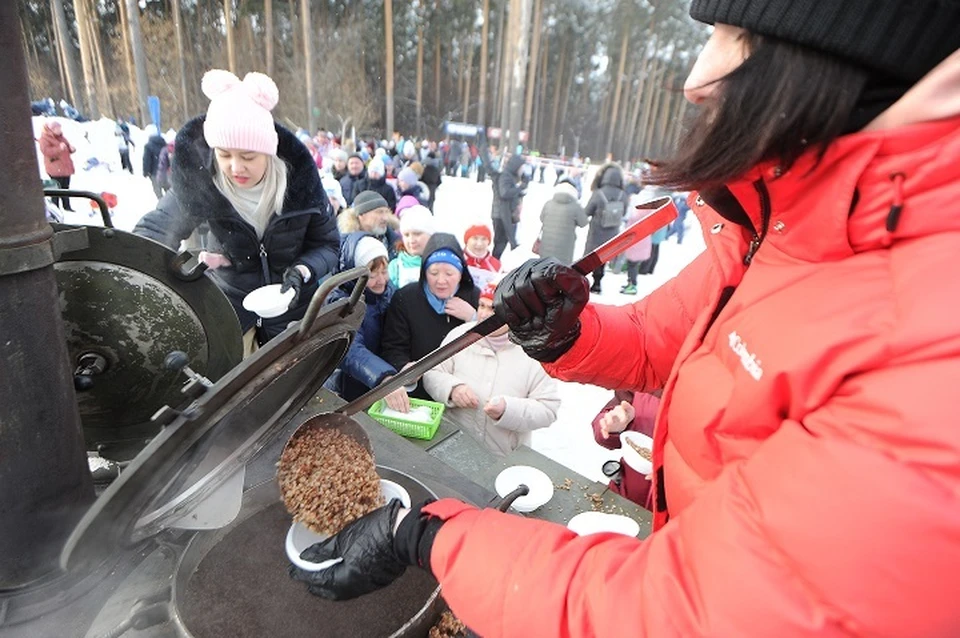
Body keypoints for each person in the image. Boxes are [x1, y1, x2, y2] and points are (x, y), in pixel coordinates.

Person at [288, 5, 960, 636]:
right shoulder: (781, 234)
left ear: (861, 72)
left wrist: (429, 536)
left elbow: (671, 616)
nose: (696, 80)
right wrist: (566, 331)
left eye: (741, 40)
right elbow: (664, 335)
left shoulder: (929, 355)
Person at [134, 70, 339, 349]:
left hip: (294, 312)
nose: (235, 167)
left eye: (248, 156)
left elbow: (327, 244)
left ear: (268, 151)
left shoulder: (302, 184)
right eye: (224, 154)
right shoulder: (201, 182)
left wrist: (302, 270)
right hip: (230, 307)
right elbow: (157, 227)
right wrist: (133, 266)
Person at [423, 282, 560, 456]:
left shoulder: (534, 353)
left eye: (494, 310)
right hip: (453, 447)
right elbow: (432, 372)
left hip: (504, 457)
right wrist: (452, 389)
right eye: (482, 306)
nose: (484, 315)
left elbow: (548, 409)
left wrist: (507, 410)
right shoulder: (459, 337)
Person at [380, 233, 478, 400]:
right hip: (417, 393)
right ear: (424, 272)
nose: (441, 281)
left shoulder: (475, 298)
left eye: (449, 274)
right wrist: (403, 367)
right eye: (433, 273)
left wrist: (473, 318)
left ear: (461, 274)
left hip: (462, 392)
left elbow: (494, 343)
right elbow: (392, 346)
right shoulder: (406, 298)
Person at [325, 232, 409, 412]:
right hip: (347, 388)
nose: (381, 280)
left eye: (384, 271)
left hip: (379, 384)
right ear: (355, 273)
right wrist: (384, 377)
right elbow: (350, 349)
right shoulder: (340, 303)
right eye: (371, 275)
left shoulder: (389, 292)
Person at [591, 390, 660, 508]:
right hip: (623, 495)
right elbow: (603, 430)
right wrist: (613, 426)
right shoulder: (647, 380)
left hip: (676, 515)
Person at [582, 163, 627, 293]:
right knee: (604, 258)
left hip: (596, 231)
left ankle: (585, 283)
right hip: (612, 232)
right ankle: (598, 282)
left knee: (591, 257)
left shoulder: (598, 193)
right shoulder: (622, 195)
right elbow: (622, 213)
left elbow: (587, 211)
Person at [337, 191, 401, 260]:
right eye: (379, 212)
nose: (385, 218)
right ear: (361, 215)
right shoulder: (346, 247)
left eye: (386, 212)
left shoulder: (395, 241)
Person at [537, 178, 588, 264]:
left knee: (544, 269)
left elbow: (541, 218)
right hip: (565, 249)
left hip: (546, 246)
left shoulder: (548, 204)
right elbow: (584, 223)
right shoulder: (575, 206)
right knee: (561, 271)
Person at [388, 205, 435, 289]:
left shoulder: (442, 263)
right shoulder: (395, 267)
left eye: (417, 234)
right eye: (406, 235)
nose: (411, 240)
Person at [491, 154, 526, 259]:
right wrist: (519, 188)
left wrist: (520, 192)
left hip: (504, 214)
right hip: (500, 214)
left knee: (502, 242)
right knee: (500, 243)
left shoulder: (510, 176)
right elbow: (504, 193)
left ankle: (495, 262)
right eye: (521, 167)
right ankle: (494, 262)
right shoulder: (505, 176)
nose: (522, 169)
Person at [38, 120, 76, 211]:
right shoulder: (45, 139)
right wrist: (59, 148)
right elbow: (46, 152)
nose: (59, 130)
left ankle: (67, 206)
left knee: (65, 188)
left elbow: (67, 147)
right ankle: (55, 207)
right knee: (56, 189)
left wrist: (72, 149)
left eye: (60, 128)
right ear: (52, 129)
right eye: (57, 128)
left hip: (65, 167)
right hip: (55, 168)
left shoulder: (61, 138)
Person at [462, 224, 500, 290]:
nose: (479, 243)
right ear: (467, 240)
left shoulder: (497, 266)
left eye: (484, 239)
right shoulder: (458, 259)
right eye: (475, 238)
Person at [142, 125, 167, 198]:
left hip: (155, 173)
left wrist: (145, 172)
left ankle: (164, 207)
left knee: (158, 193)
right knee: (169, 191)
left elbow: (146, 160)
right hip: (166, 172)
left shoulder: (148, 146)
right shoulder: (163, 143)